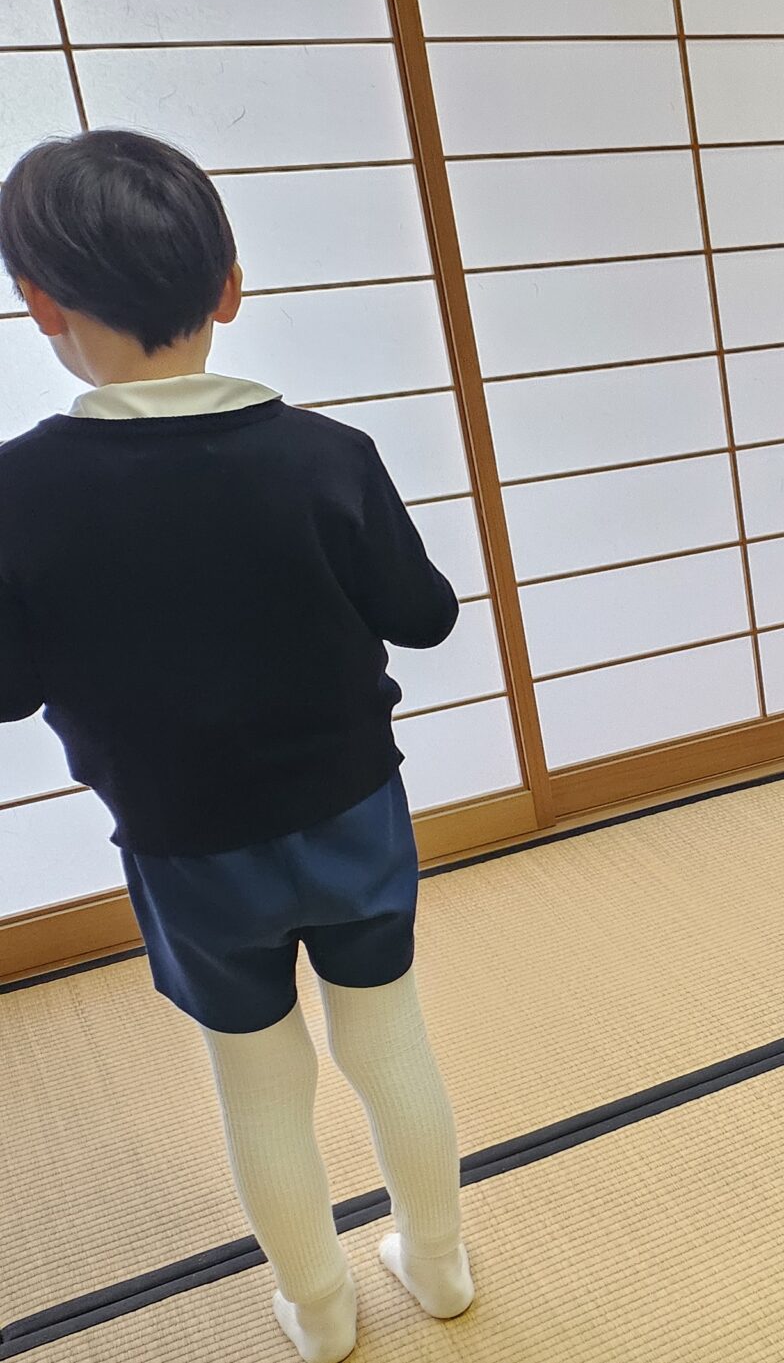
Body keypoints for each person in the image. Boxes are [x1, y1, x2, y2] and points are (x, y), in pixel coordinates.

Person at [0, 132, 472, 1363]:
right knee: (386, 1036)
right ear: (229, 287)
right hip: (350, 808)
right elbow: (426, 614)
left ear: (38, 300)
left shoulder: (17, 491)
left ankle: (318, 1311)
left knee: (256, 1074)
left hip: (185, 837)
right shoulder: (325, 455)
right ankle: (439, 1263)